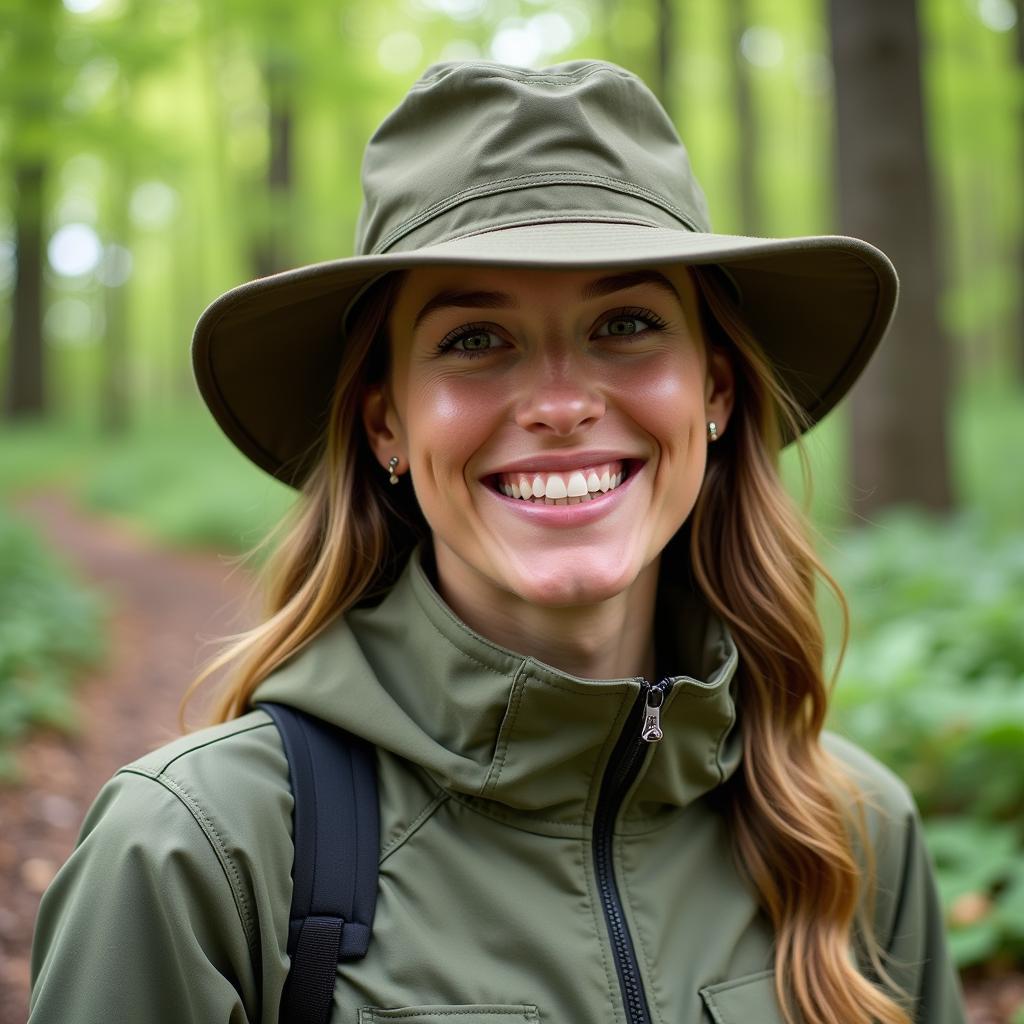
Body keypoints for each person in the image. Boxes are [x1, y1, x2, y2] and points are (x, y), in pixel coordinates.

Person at [29, 59, 966, 1024]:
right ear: (386, 422)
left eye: (629, 323)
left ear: (715, 391)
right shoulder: (204, 856)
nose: (561, 404)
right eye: (476, 339)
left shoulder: (855, 834)